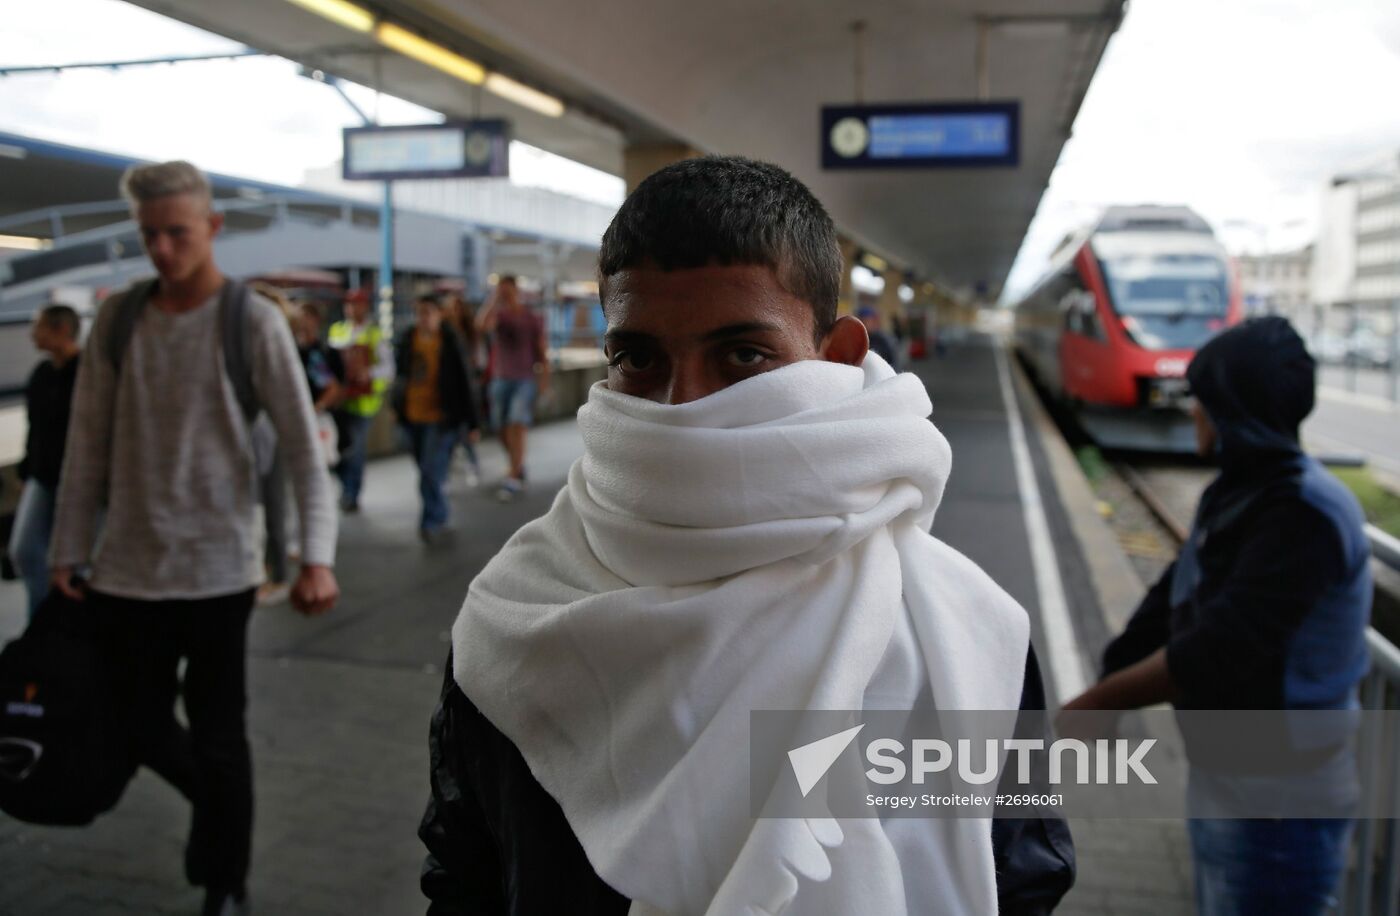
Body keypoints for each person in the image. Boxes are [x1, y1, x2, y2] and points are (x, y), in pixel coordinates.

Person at [420, 157, 1073, 914]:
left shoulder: (970, 628)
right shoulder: (520, 603)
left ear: (835, 357)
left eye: (743, 355)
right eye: (638, 357)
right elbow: (464, 870)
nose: (684, 405)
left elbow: (1023, 876)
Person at [48, 160, 340, 916]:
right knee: (137, 724)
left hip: (218, 573)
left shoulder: (252, 322)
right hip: (126, 572)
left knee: (218, 731)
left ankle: (224, 881)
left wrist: (317, 559)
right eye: (150, 235)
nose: (163, 250)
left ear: (211, 228)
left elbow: (306, 453)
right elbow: (87, 448)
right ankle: (221, 820)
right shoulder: (117, 322)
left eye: (178, 233)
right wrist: (65, 550)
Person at [1059, 316, 1371, 915]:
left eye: (1207, 397)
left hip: (1280, 803)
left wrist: (1103, 703)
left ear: (1236, 410)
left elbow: (1220, 647)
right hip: (1229, 781)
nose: (1194, 409)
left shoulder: (1303, 514)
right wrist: (1109, 677)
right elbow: (1172, 600)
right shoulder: (1238, 491)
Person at [8, 304, 82, 620]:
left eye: (39, 326)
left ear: (61, 330)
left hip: (76, 480)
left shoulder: (87, 374)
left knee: (78, 560)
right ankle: (42, 622)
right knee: (25, 550)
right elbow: (35, 429)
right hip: (43, 477)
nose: (32, 333)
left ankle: (72, 628)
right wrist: (28, 471)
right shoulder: (41, 374)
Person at [393, 296, 479, 543]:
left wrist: (471, 422)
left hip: (441, 416)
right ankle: (437, 513)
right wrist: (395, 406)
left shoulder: (450, 341)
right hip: (412, 414)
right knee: (425, 469)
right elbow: (399, 375)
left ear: (438, 314)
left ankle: (432, 519)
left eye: (428, 312)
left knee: (431, 469)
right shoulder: (408, 340)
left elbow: (464, 381)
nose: (424, 318)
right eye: (420, 312)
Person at [476, 275, 549, 501]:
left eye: (508, 290)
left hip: (524, 378)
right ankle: (516, 465)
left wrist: (544, 384)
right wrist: (493, 299)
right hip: (500, 378)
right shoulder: (500, 316)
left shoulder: (531, 318)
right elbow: (480, 326)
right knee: (500, 427)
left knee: (517, 423)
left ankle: (512, 477)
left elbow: (541, 352)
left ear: (516, 290)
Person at [328, 287, 393, 512]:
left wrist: (368, 373)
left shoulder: (375, 334)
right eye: (348, 303)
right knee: (336, 450)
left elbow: (388, 368)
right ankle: (345, 487)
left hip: (363, 403)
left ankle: (351, 494)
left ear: (364, 306)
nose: (351, 308)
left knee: (354, 451)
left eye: (356, 303)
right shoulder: (337, 330)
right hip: (337, 402)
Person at [442, 292, 484, 487]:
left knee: (463, 430)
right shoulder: (444, 333)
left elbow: (477, 359)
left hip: (466, 386)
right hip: (451, 389)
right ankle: (448, 471)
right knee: (453, 433)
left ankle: (472, 464)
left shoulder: (468, 333)